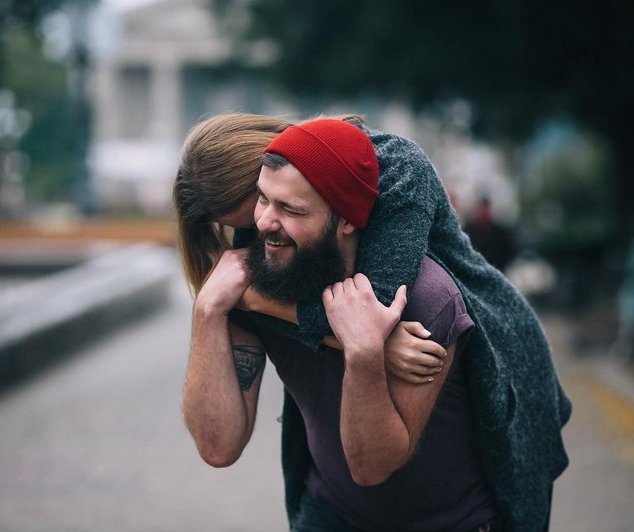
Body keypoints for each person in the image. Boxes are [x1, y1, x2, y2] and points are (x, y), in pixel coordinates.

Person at [174, 114, 571, 531]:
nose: (260, 232)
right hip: (330, 510)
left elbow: (374, 308)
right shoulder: (261, 269)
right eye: (252, 216)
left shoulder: (395, 171)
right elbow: (218, 447)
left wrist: (371, 340)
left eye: (286, 206)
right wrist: (208, 310)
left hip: (498, 340)